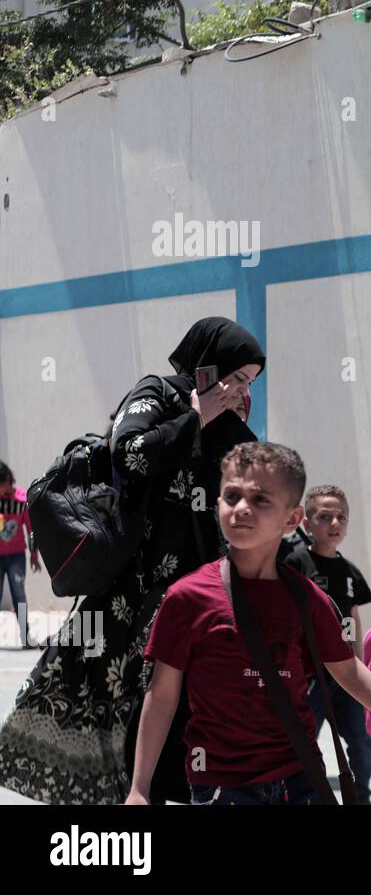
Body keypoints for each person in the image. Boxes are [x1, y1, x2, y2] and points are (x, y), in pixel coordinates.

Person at [0, 317, 264, 804]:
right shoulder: (158, 394)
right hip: (130, 595)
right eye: (237, 377)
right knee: (113, 717)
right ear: (210, 365)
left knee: (178, 731)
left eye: (248, 383)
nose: (240, 390)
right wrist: (196, 415)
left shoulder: (232, 428)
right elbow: (130, 456)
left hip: (196, 598)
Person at [125, 442, 371, 805]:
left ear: (292, 520)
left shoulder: (306, 598)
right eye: (231, 496)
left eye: (260, 500)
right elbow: (162, 695)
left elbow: (347, 670)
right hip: (222, 785)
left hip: (299, 780)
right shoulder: (186, 598)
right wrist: (140, 788)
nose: (241, 509)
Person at [284, 485, 371, 803]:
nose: (334, 523)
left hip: (346, 676)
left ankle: (361, 796)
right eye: (324, 517)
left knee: (360, 742)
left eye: (341, 517)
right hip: (310, 677)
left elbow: (352, 617)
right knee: (304, 742)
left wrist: (361, 668)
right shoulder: (295, 564)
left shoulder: (350, 572)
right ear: (307, 523)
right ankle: (305, 796)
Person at [0, 462, 40, 649]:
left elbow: (31, 529)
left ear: (7, 481)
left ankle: (26, 637)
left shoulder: (22, 499)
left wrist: (33, 554)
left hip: (16, 556)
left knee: (19, 595)